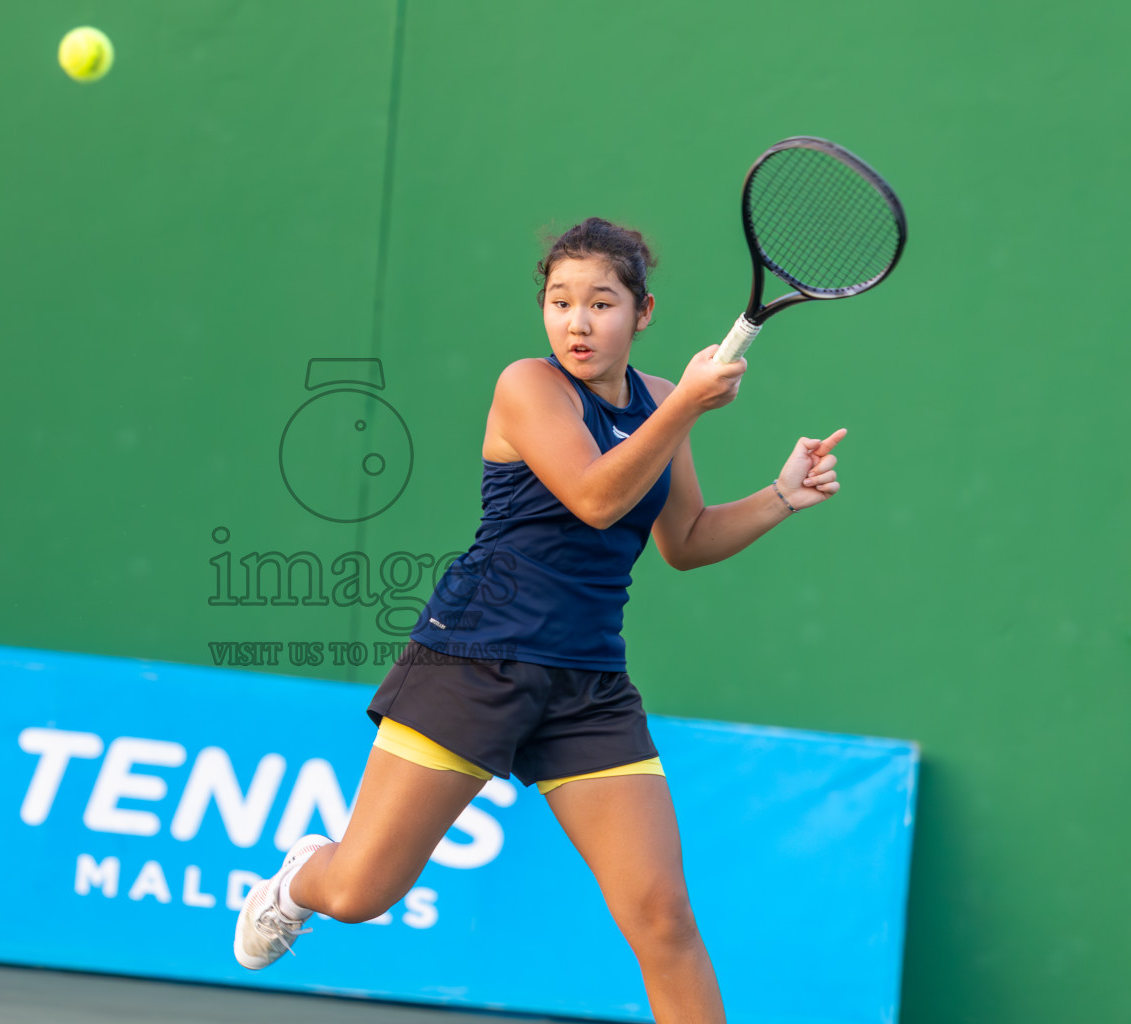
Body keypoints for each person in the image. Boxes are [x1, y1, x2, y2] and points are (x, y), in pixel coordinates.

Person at [233, 217, 845, 1023]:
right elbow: (595, 498)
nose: (577, 323)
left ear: (644, 312)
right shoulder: (527, 386)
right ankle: (299, 877)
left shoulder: (662, 399)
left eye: (601, 303)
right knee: (359, 892)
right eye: (560, 303)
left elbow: (686, 542)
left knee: (663, 918)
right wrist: (686, 408)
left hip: (588, 684)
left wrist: (778, 497)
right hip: (475, 660)